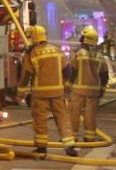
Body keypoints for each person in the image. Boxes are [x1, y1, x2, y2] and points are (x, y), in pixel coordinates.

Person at [16, 24, 74, 157]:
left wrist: (21, 92)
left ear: (33, 38)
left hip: (40, 94)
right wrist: (66, 85)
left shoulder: (32, 53)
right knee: (62, 118)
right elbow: (67, 70)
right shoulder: (57, 50)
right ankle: (69, 146)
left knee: (40, 120)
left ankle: (41, 148)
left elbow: (26, 74)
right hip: (58, 93)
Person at [64, 26, 110, 156]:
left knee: (73, 114)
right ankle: (89, 139)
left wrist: (68, 84)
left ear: (84, 39)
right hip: (94, 92)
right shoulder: (100, 56)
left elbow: (72, 70)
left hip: (78, 90)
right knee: (90, 116)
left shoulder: (79, 54)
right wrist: (102, 89)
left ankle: (72, 138)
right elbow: (104, 75)